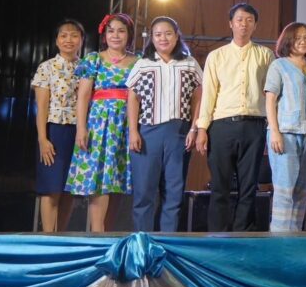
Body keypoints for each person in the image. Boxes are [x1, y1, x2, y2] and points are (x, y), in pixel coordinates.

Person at [195, 3, 275, 231]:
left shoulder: (265, 55)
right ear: (230, 23)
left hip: (254, 125)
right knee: (219, 185)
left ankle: (243, 233)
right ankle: (217, 234)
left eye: (249, 20)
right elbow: (209, 94)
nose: (244, 24)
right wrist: (202, 129)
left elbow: (271, 93)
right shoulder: (216, 56)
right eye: (239, 20)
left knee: (248, 185)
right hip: (221, 126)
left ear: (255, 25)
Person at [126, 16, 203, 232]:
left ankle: (168, 240)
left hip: (178, 132)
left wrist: (194, 128)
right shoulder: (143, 64)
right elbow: (133, 98)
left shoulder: (189, 63)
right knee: (144, 191)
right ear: (152, 38)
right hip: (147, 132)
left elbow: (199, 97)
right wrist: (133, 131)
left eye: (168, 33)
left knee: (174, 191)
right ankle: (143, 239)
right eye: (158, 34)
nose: (163, 38)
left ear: (177, 36)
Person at [67, 13, 138, 232]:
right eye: (111, 31)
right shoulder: (94, 59)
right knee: (100, 179)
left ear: (129, 35)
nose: (115, 35)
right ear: (105, 35)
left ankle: (109, 232)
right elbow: (83, 96)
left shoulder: (138, 62)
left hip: (125, 125)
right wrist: (81, 128)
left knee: (117, 179)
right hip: (99, 125)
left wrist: (135, 130)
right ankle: (97, 233)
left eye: (121, 31)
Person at [265, 22, 306, 232]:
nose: (303, 41)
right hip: (285, 133)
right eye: (298, 37)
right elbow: (270, 101)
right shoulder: (278, 65)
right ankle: (280, 239)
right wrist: (275, 132)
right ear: (288, 40)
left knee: (303, 191)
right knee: (284, 190)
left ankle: (295, 236)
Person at [31, 19, 85, 232]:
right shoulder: (46, 67)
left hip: (79, 132)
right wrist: (42, 139)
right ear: (56, 40)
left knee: (69, 188)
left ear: (81, 40)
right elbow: (42, 107)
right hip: (54, 131)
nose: (68, 40)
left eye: (74, 35)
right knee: (51, 188)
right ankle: (48, 238)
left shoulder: (86, 68)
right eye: (63, 35)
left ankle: (60, 236)